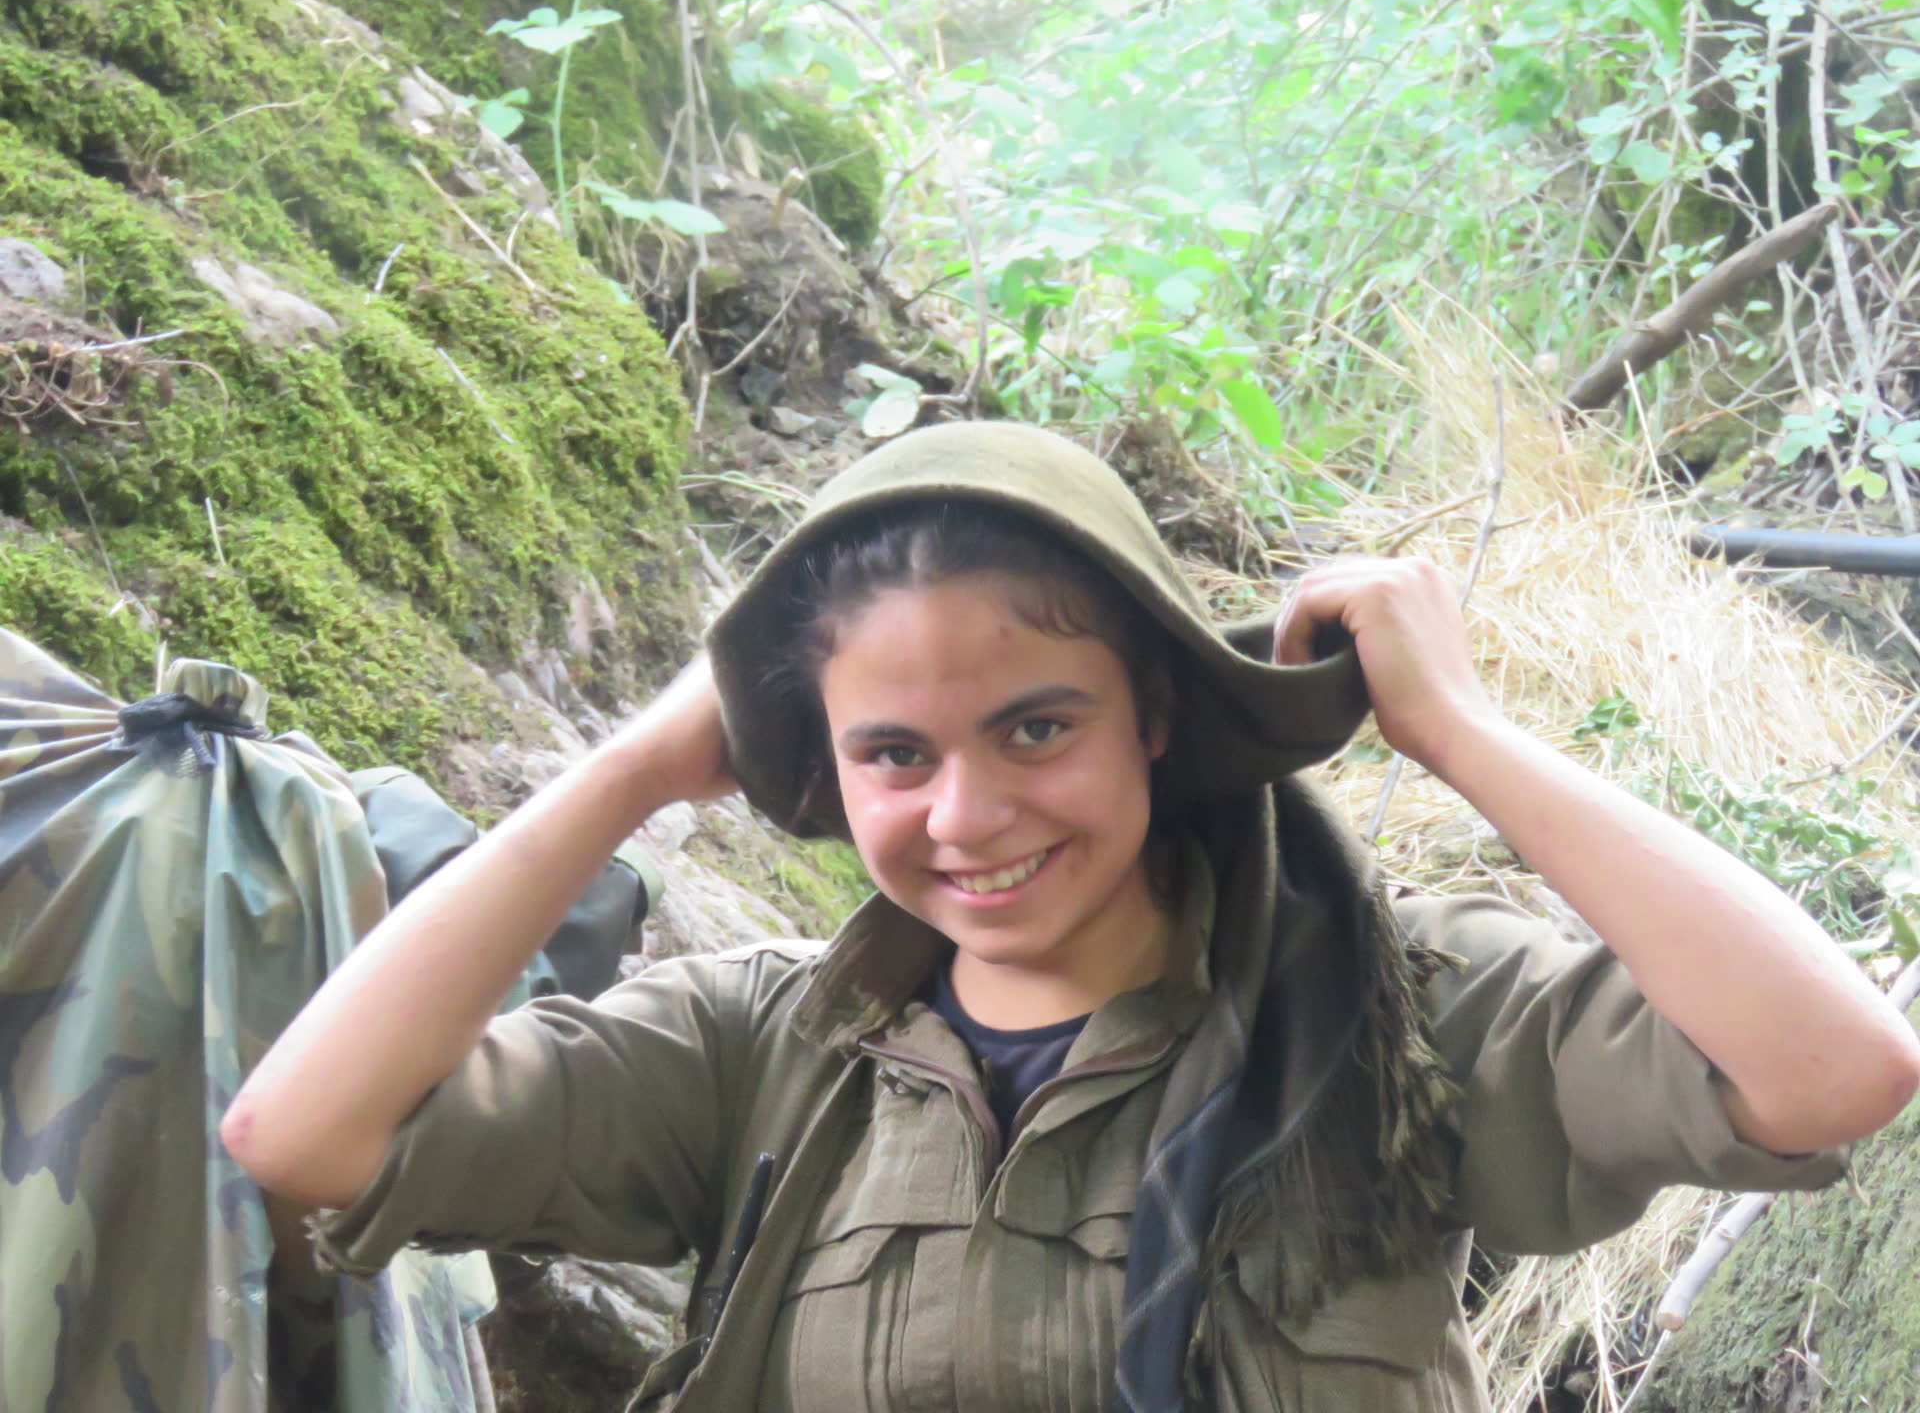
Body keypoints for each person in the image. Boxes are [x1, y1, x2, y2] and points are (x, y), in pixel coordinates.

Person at [223, 422, 1920, 1413]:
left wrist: (1463, 733)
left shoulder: (1392, 1005)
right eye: (894, 754)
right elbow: (301, 1134)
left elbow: (1831, 1070)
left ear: (1154, 719)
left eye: (1036, 728)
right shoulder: (759, 1051)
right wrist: (626, 775)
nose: (967, 817)